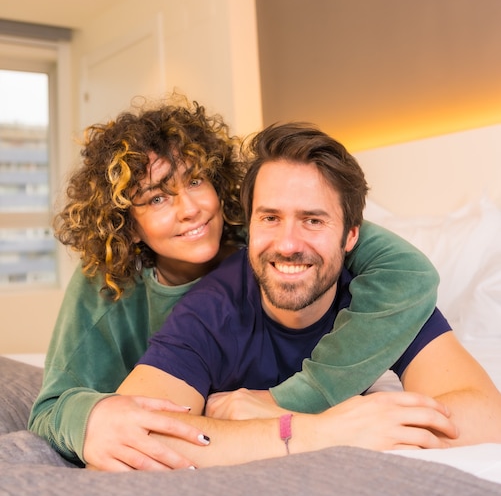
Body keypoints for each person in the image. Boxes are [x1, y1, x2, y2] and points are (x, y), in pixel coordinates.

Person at [29, 99, 441, 470]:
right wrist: (94, 417)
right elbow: (51, 405)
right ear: (128, 226)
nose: (190, 209)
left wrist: (291, 404)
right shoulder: (107, 285)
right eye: (157, 198)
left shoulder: (272, 232)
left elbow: (408, 271)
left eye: (194, 182)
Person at [115, 122, 501, 470]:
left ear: (351, 235)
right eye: (270, 218)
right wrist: (322, 432)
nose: (287, 244)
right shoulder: (212, 308)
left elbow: (486, 416)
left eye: (313, 220)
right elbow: (140, 432)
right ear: (250, 226)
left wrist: (300, 419)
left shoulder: (380, 302)